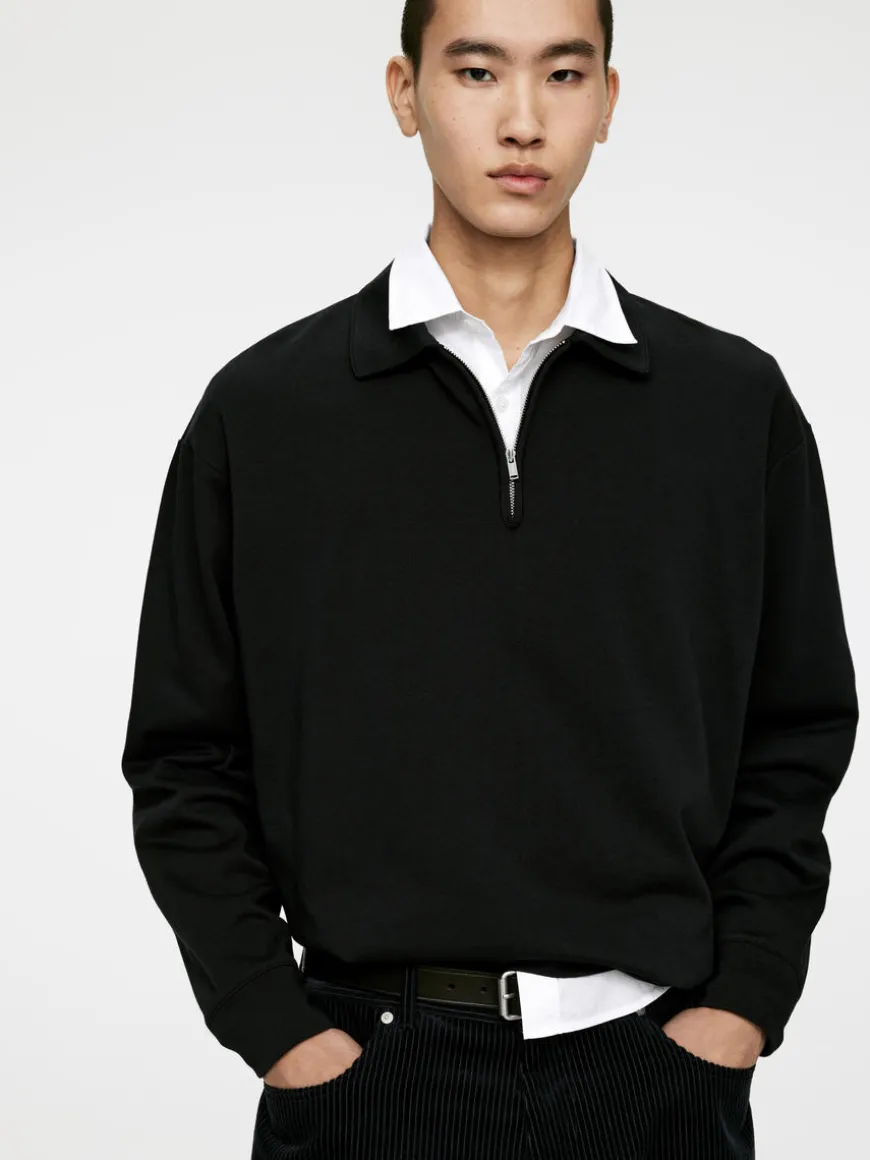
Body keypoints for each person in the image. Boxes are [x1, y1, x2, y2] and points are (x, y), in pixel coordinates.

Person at [120, 1, 859, 1157]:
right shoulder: (267, 412)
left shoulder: (730, 404)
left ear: (607, 101)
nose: (522, 120)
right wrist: (277, 1028)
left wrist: (744, 1002)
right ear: (405, 92)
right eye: (476, 71)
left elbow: (797, 726)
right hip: (369, 1075)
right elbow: (183, 754)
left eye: (563, 74)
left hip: (658, 1073)